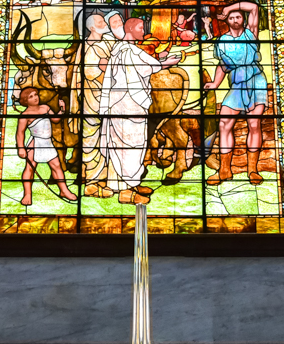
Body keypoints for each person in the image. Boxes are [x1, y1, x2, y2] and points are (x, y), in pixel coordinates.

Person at [96, 14, 181, 204]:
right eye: (141, 27)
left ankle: (131, 183)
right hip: (126, 104)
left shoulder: (124, 49)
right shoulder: (128, 50)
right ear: (130, 29)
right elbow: (147, 67)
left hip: (126, 104)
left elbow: (146, 66)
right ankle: (125, 190)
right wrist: (169, 63)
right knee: (127, 146)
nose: (144, 31)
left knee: (133, 145)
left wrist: (161, 62)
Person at [203, 0, 267, 186]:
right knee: (224, 123)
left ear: (242, 19)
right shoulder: (222, 41)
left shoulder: (250, 33)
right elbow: (223, 65)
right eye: (232, 18)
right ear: (228, 22)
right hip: (237, 84)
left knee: (254, 124)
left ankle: (252, 170)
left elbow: (253, 8)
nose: (235, 19)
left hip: (256, 80)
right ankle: (224, 170)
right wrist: (215, 83)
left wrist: (229, 8)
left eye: (238, 16)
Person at [15, 84, 77, 206]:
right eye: (31, 96)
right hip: (35, 143)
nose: (35, 98)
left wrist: (62, 110)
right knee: (29, 168)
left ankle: (64, 191)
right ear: (25, 101)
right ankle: (27, 194)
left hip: (47, 142)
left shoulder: (45, 107)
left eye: (36, 95)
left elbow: (55, 119)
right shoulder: (25, 115)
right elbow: (20, 133)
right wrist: (21, 148)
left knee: (56, 166)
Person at [80, 11, 117, 198]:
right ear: (92, 27)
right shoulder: (86, 47)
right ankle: (92, 182)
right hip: (93, 97)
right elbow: (90, 73)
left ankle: (110, 179)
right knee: (91, 138)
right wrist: (106, 69)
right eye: (101, 21)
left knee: (110, 138)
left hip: (111, 97)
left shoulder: (109, 41)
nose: (104, 23)